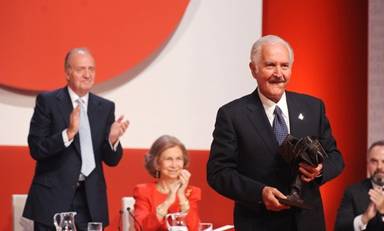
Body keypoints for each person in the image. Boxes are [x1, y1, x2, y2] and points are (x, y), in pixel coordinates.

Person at [206, 35, 344, 231]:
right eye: (270, 65)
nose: (278, 73)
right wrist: (260, 193)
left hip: (308, 223)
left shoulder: (314, 107)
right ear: (253, 69)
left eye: (285, 66)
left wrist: (319, 170)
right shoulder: (232, 115)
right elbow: (218, 173)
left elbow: (336, 158)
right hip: (258, 223)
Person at [23, 48, 129, 230]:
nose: (87, 75)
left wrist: (112, 140)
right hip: (53, 199)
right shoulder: (48, 102)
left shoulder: (105, 107)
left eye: (91, 69)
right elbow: (37, 148)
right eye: (81, 69)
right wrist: (68, 133)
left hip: (90, 202)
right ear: (67, 73)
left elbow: (111, 160)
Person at [133, 135, 201, 231]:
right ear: (156, 163)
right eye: (169, 159)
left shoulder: (191, 192)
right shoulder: (143, 191)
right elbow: (141, 228)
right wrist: (167, 202)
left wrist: (181, 196)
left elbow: (193, 228)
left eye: (178, 159)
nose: (174, 165)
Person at [335, 141, 384, 231]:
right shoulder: (353, 192)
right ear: (367, 163)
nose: (379, 166)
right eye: (374, 161)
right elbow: (339, 229)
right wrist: (364, 218)